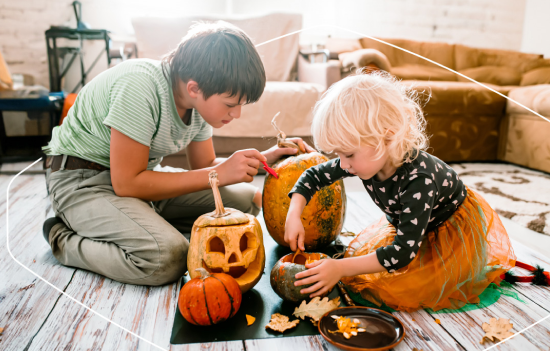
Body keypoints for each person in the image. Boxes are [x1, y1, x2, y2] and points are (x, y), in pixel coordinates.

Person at [42, 21, 311, 286]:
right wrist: (219, 172)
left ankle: (142, 222)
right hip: (83, 181)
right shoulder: (140, 86)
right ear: (194, 87)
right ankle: (63, 238)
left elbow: (205, 165)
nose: (237, 114)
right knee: (168, 258)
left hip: (138, 181)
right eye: (230, 104)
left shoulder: (197, 102)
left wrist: (266, 159)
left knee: (244, 204)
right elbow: (126, 184)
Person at [284, 70, 516, 312]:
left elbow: (403, 252)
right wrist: (294, 212)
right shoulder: (363, 160)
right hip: (413, 229)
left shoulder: (419, 181)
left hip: (448, 231)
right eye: (339, 155)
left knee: (403, 288)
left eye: (348, 154)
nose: (342, 164)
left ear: (387, 137)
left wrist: (341, 267)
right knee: (372, 274)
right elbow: (313, 175)